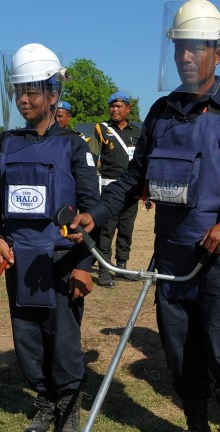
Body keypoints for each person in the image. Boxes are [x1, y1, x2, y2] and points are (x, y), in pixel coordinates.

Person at [69, 0, 220, 432]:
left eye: (196, 48)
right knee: (180, 351)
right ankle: (196, 429)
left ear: (218, 52)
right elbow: (131, 182)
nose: (187, 57)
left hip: (217, 259)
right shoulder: (160, 113)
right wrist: (94, 214)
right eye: (180, 47)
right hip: (169, 258)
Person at [0, 42, 100, 432]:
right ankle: (44, 401)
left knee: (63, 337)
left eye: (33, 90)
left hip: (62, 260)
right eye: (19, 91)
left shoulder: (74, 145)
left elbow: (92, 208)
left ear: (53, 92)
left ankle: (69, 405)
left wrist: (85, 264)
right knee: (26, 334)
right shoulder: (6, 143)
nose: (24, 99)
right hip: (18, 259)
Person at [89, 91, 142, 287]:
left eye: (119, 106)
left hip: (132, 189)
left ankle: (122, 266)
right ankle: (104, 269)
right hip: (109, 188)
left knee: (126, 229)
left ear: (128, 109)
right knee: (106, 230)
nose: (115, 109)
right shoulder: (101, 129)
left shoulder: (137, 133)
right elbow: (92, 159)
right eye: (112, 106)